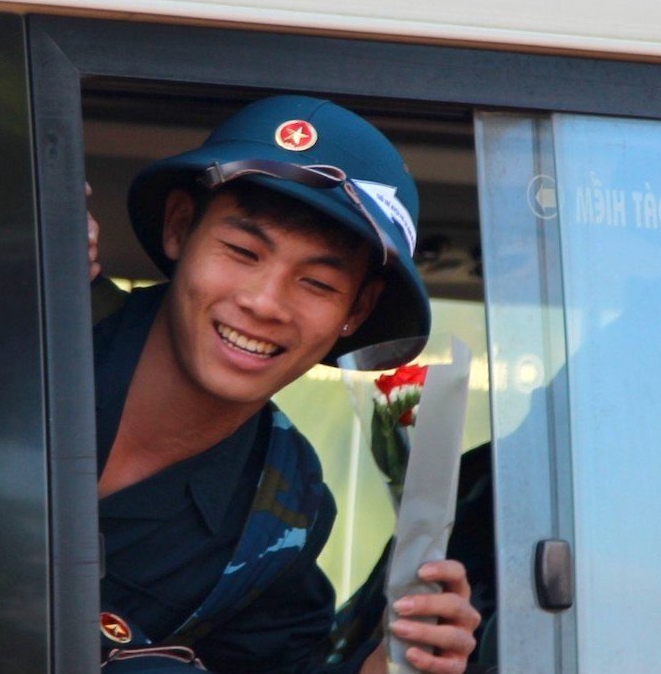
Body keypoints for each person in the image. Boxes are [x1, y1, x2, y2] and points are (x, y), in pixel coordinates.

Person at [96, 95, 480, 674]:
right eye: (242, 251)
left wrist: (402, 657)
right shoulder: (28, 327)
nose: (264, 303)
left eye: (318, 284)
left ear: (357, 310)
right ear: (180, 228)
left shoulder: (279, 512)